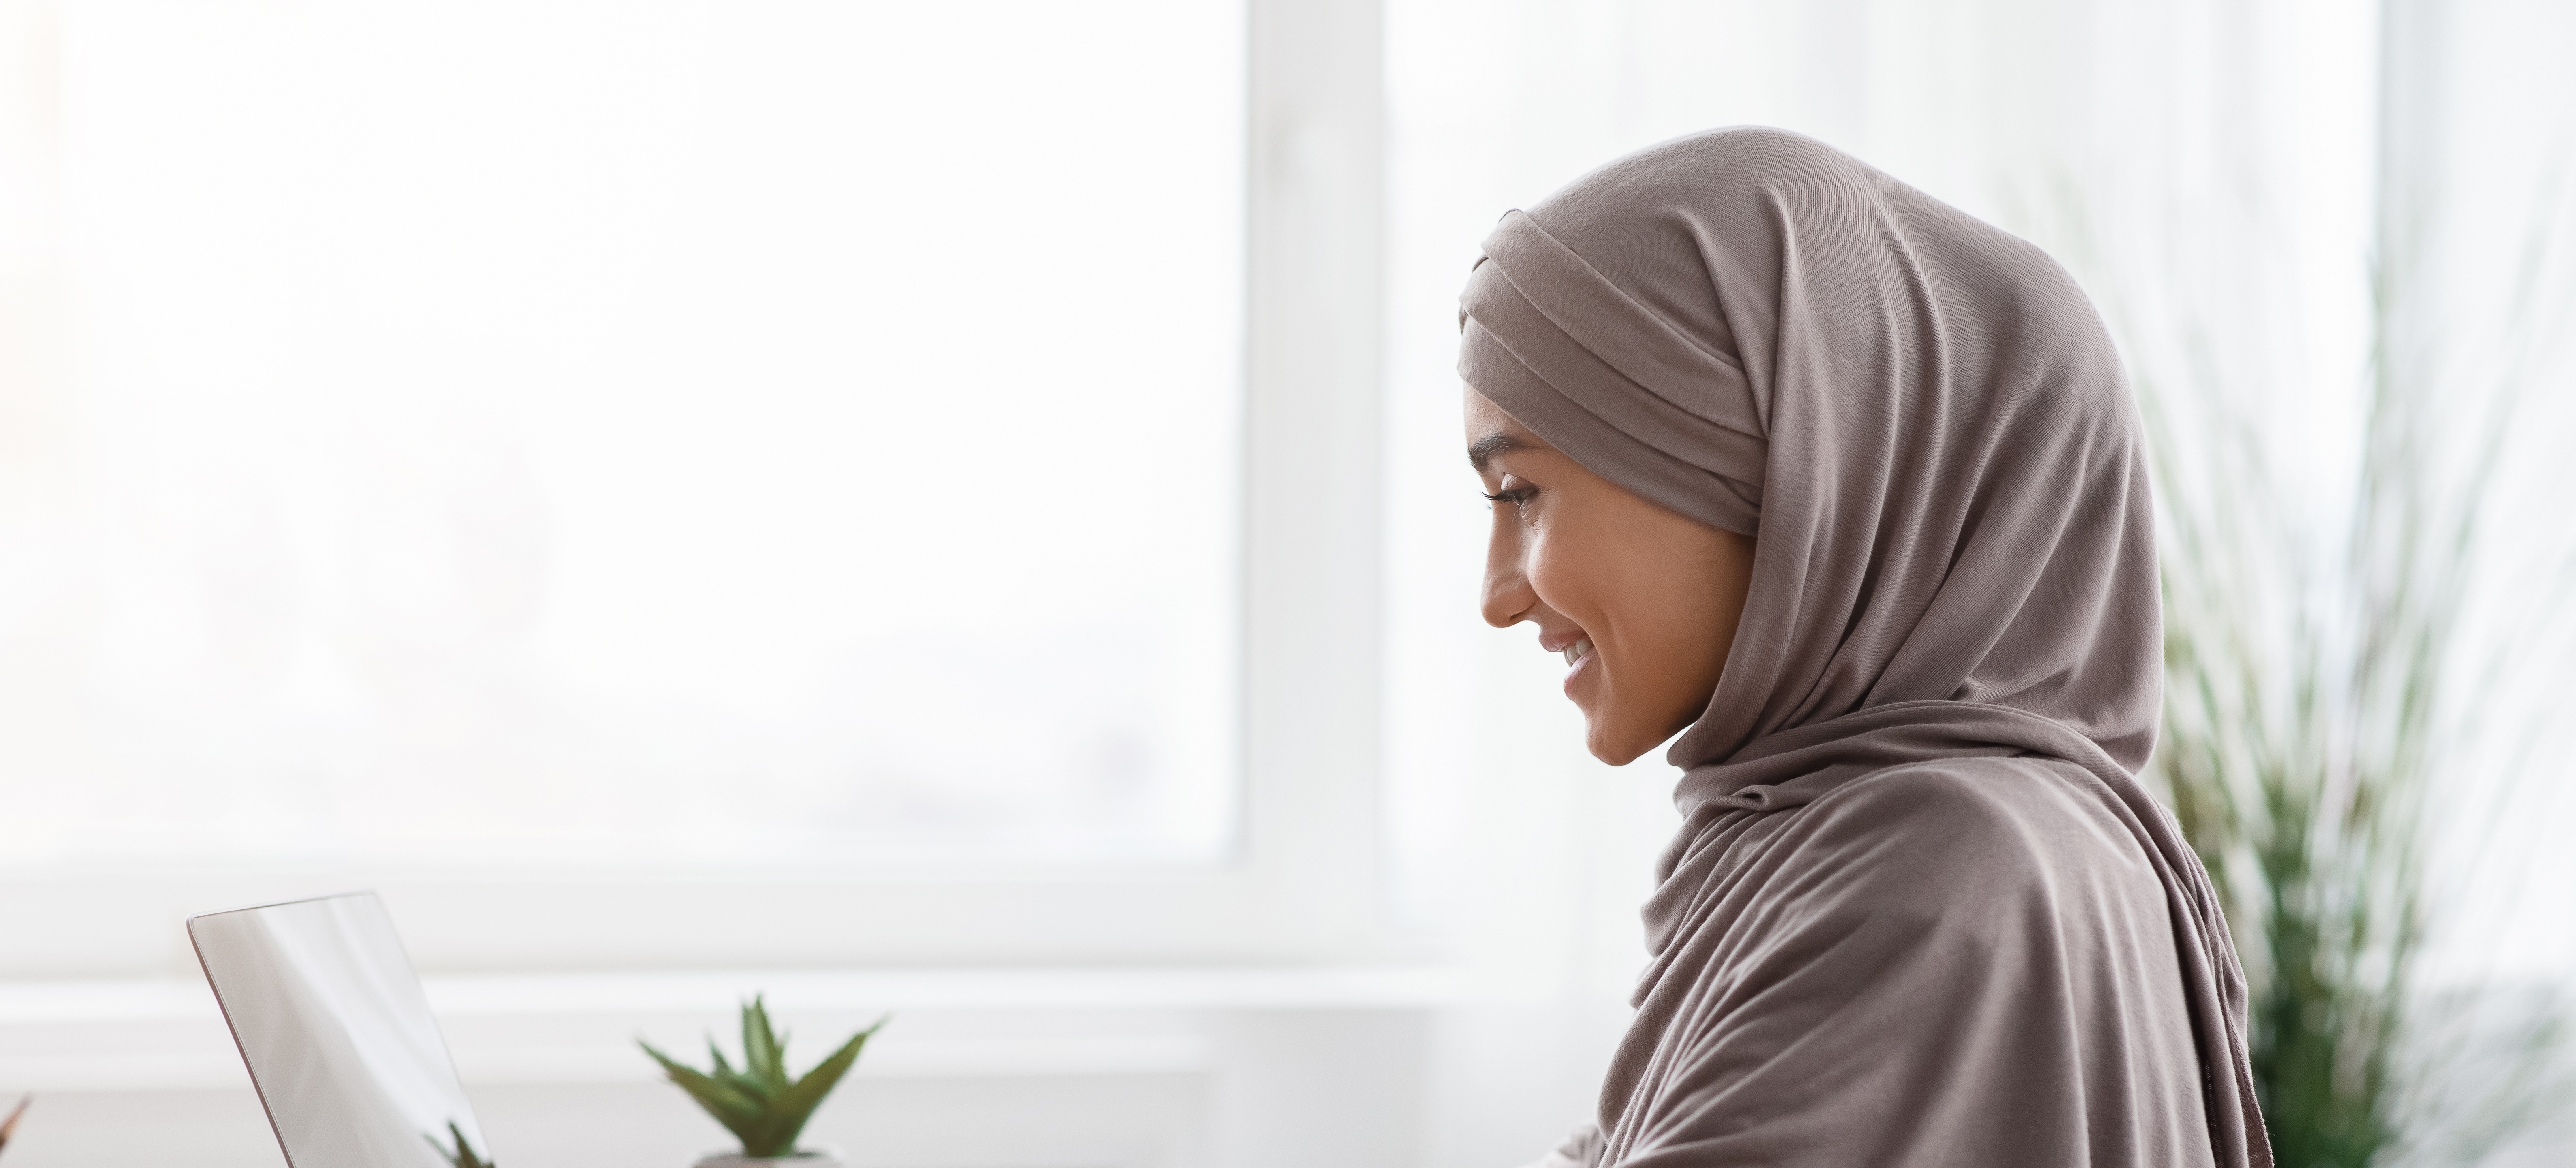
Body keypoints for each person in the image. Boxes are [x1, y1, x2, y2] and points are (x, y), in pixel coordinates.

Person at [1460, 128, 2267, 1167]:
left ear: (1777, 464)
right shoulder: (1930, 842)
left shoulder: (1933, 872)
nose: (1494, 596)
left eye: (1520, 493)